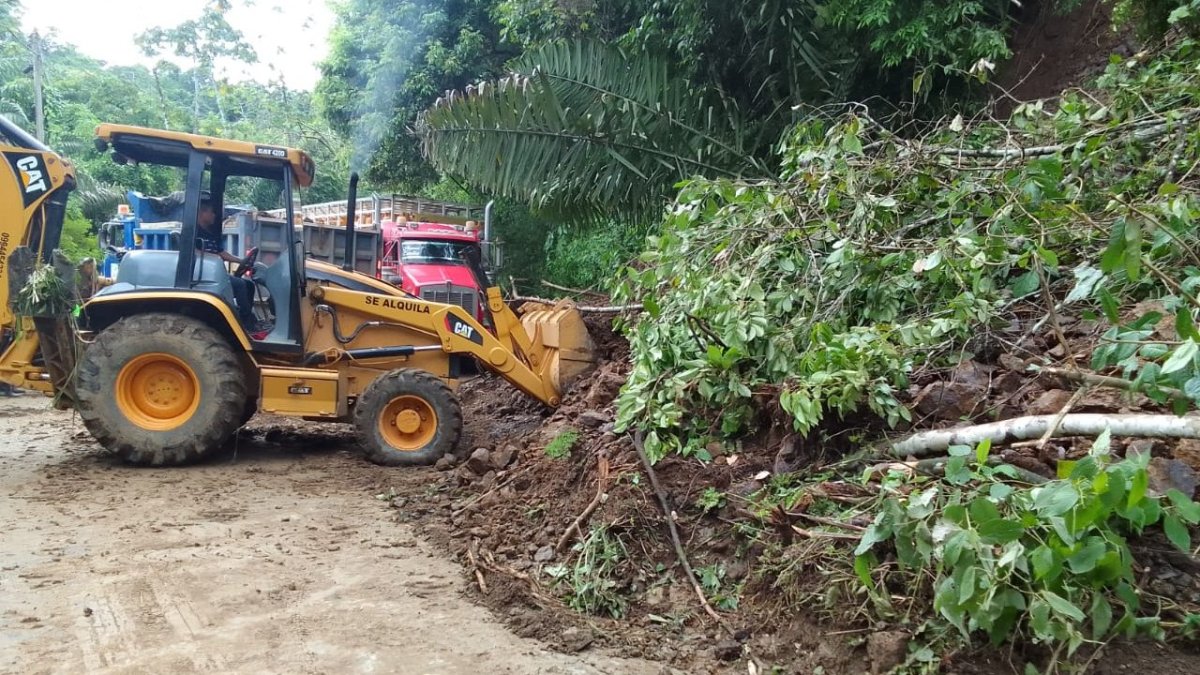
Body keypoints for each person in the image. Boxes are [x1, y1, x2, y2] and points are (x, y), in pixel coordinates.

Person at [194, 194, 262, 332]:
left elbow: (221, 253)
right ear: (202, 212)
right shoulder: (193, 232)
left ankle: (248, 319)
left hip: (215, 274)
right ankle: (244, 325)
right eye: (211, 212)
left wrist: (241, 260)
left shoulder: (209, 233)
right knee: (240, 284)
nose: (214, 215)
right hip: (201, 277)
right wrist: (216, 259)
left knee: (248, 284)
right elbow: (194, 253)